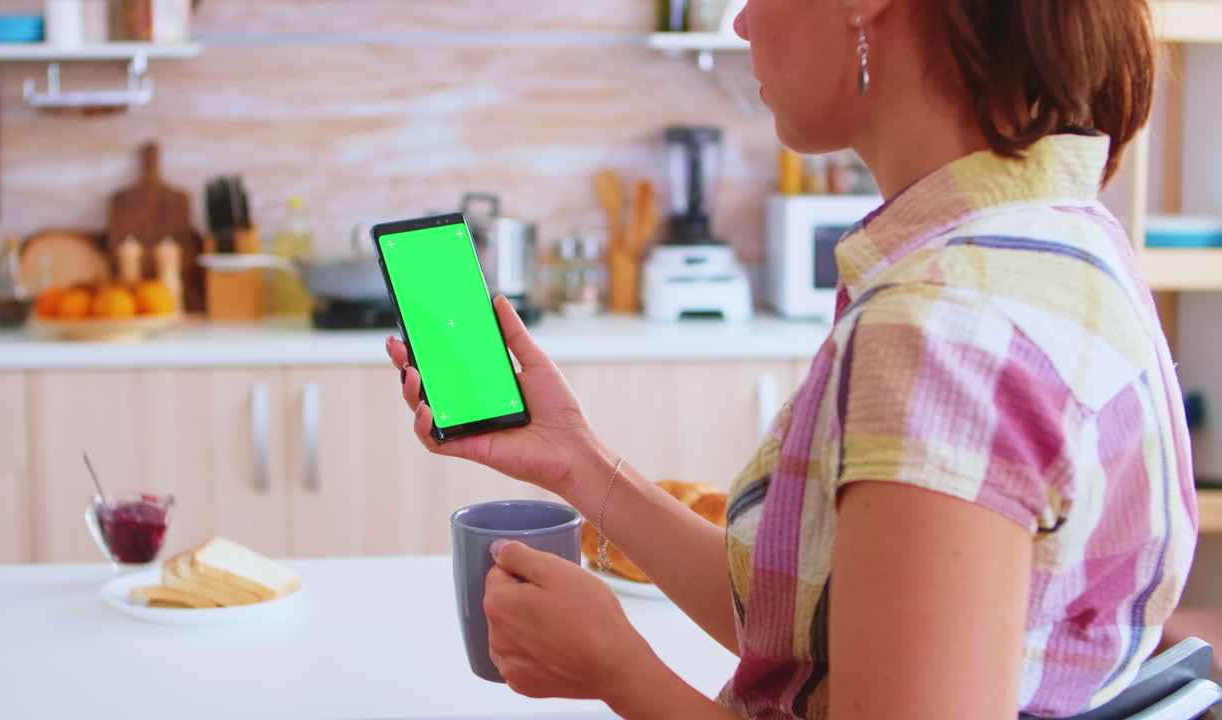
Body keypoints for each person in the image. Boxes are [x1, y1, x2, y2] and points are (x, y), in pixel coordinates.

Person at [385, 0, 1199, 717]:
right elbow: (813, 631)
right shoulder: (1061, 238)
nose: (741, 22)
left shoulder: (941, 332)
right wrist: (578, 462)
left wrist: (618, 670)